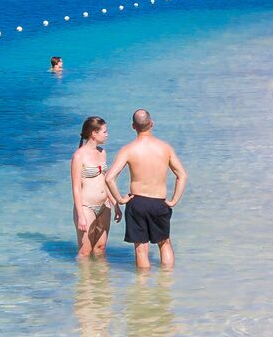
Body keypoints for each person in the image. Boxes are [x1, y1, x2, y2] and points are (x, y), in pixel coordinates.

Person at [111, 108, 189, 270]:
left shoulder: (128, 149)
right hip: (159, 202)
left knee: (141, 249)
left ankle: (142, 290)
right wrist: (173, 200)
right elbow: (182, 175)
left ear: (133, 126)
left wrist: (120, 199)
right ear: (152, 124)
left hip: (137, 202)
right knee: (164, 242)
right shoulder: (165, 148)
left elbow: (109, 177)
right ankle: (166, 283)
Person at [68, 116, 117, 260]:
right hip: (86, 207)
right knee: (85, 252)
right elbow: (76, 188)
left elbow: (105, 181)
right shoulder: (79, 156)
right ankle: (83, 282)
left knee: (100, 249)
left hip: (104, 206)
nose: (107, 134)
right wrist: (81, 215)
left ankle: (100, 282)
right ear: (94, 134)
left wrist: (115, 204)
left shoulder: (102, 152)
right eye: (104, 131)